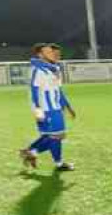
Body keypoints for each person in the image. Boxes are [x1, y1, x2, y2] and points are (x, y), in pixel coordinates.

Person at [18, 43, 76, 171]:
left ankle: (29, 152)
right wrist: (38, 110)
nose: (56, 56)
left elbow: (59, 91)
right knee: (56, 136)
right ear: (41, 54)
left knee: (52, 136)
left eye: (57, 54)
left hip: (55, 108)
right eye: (52, 53)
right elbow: (33, 91)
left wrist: (67, 107)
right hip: (46, 109)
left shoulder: (54, 69)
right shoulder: (38, 70)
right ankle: (56, 162)